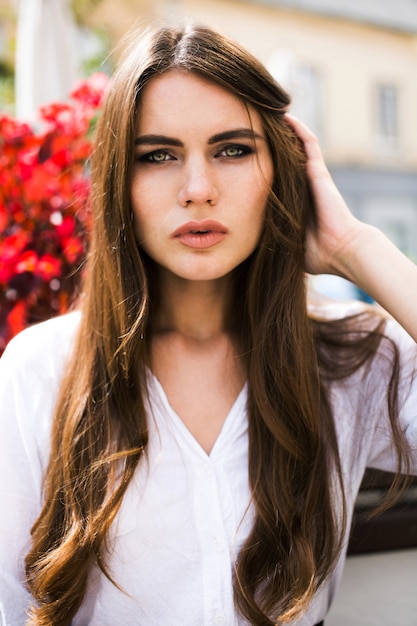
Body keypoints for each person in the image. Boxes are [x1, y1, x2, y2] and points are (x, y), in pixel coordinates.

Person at [0, 22, 416, 626]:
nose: (198, 189)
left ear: (283, 170)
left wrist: (355, 246)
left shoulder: (349, 358)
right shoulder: (40, 370)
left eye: (233, 149)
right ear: (121, 181)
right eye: (159, 155)